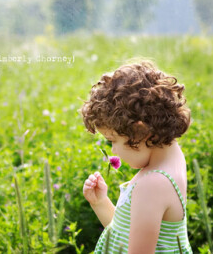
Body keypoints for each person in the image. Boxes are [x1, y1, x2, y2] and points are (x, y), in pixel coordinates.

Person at [79, 60, 193, 253]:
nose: (113, 151)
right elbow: (124, 234)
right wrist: (100, 203)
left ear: (139, 132)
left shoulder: (153, 184)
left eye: (112, 140)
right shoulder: (168, 162)